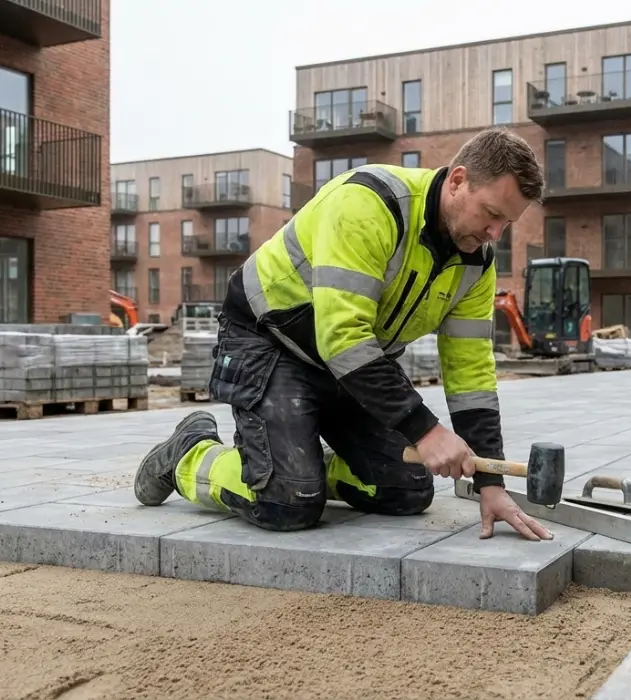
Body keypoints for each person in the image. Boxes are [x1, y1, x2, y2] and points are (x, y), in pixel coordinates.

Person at [134, 127, 554, 542]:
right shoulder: (370, 204)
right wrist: (428, 432)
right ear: (458, 181)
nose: (495, 235)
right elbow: (344, 337)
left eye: (508, 223)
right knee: (287, 502)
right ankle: (191, 452)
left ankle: (305, 469)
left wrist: (490, 484)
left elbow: (471, 374)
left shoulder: (476, 263)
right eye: (492, 214)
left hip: (349, 365)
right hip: (272, 341)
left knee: (406, 489)